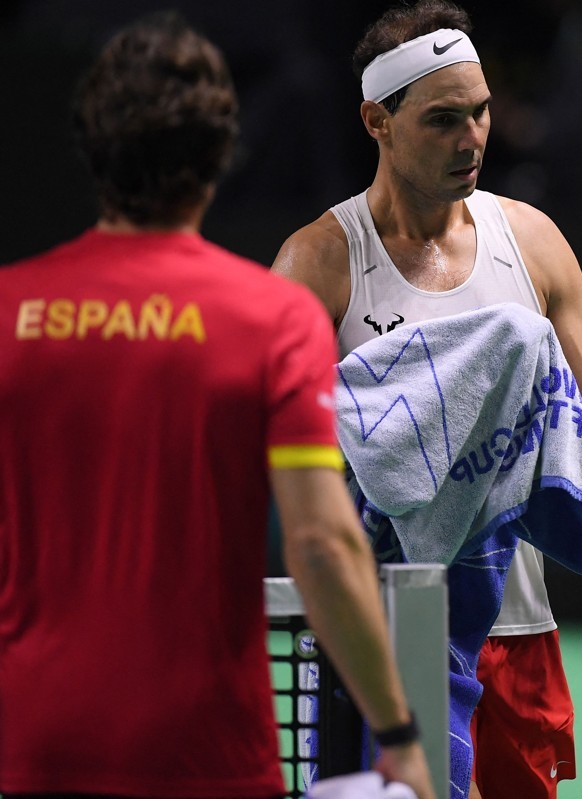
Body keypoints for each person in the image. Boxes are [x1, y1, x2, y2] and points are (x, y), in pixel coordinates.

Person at [270, 1, 582, 797]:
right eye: (442, 120)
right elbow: (273, 452)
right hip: (386, 634)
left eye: (480, 112)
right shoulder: (320, 264)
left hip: (521, 636)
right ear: (378, 120)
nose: (472, 139)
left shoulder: (530, 241)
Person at [0, 13, 434, 799]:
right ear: (219, 155)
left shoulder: (8, 313)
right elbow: (323, 546)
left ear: (91, 148)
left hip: (31, 742)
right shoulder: (271, 318)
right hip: (208, 752)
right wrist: (398, 731)